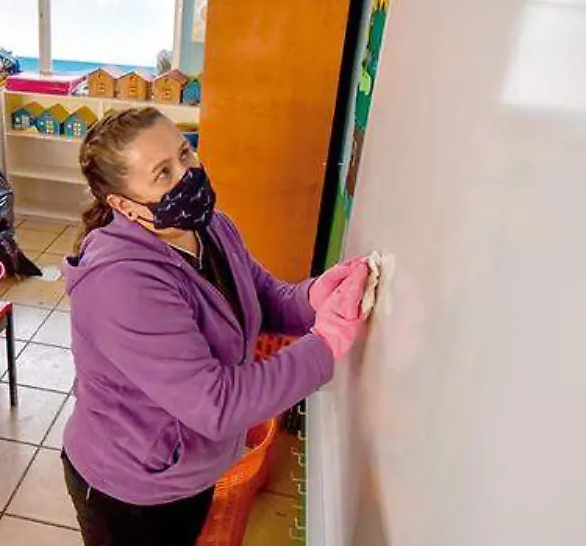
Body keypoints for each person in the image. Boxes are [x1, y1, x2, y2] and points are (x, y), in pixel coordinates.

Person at [61, 107, 369, 546]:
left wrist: (314, 296)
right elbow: (219, 405)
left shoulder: (212, 227)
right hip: (132, 490)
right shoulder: (121, 284)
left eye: (185, 153)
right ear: (123, 205)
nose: (187, 175)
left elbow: (263, 297)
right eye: (162, 173)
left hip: (190, 472)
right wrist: (325, 345)